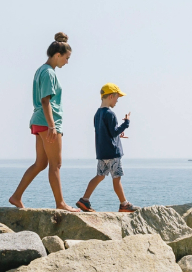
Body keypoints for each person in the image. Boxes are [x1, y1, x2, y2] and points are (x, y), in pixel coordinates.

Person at [8, 33, 73, 210]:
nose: (67, 62)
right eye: (67, 58)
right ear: (57, 55)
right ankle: (60, 204)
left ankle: (16, 196)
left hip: (39, 121)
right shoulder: (49, 73)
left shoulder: (41, 70)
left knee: (41, 163)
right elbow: (46, 100)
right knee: (55, 164)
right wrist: (52, 125)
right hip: (47, 122)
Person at [76, 83, 133, 213]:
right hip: (113, 153)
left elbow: (104, 132)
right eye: (117, 97)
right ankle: (124, 204)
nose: (117, 101)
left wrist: (118, 135)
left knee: (99, 176)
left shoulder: (97, 114)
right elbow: (113, 132)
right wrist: (126, 123)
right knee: (117, 178)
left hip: (102, 152)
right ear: (111, 96)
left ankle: (84, 200)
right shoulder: (110, 114)